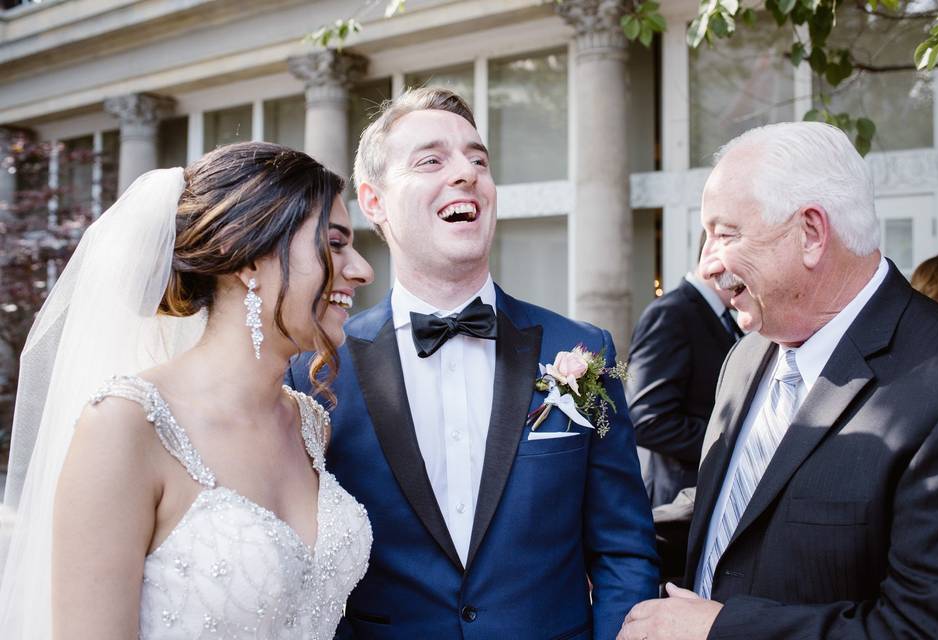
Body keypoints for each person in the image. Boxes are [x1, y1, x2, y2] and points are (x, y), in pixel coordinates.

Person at [287, 87, 659, 639]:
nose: (466, 173)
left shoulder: (585, 353)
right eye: (431, 160)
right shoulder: (313, 371)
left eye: (478, 159)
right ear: (374, 202)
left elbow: (624, 549)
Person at [0, 142, 375, 639]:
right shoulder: (127, 425)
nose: (362, 270)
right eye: (333, 243)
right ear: (250, 260)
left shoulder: (310, 425)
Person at [618, 121, 938, 640]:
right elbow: (731, 507)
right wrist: (594, 542)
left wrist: (721, 629)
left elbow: (925, 627)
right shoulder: (746, 357)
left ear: (811, 234)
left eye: (725, 234)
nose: (708, 265)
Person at [626, 235, 739, 583]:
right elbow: (647, 420)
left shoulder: (726, 319)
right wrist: (734, 444)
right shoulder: (671, 313)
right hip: (678, 505)